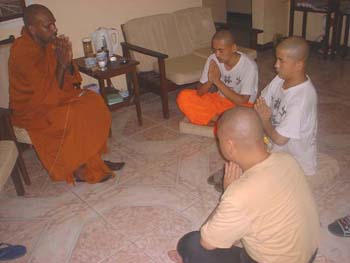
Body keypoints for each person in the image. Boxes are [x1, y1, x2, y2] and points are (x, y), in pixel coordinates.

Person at [168, 107, 320, 263]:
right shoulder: (286, 159)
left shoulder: (239, 195)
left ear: (229, 145)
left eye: (219, 141)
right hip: (308, 254)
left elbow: (208, 243)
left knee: (190, 244)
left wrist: (228, 191)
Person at [9, 4, 124, 184]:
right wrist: (61, 65)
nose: (54, 29)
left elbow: (73, 80)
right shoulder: (22, 52)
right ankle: (77, 168)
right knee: (73, 115)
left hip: (57, 97)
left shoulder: (49, 44)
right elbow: (43, 93)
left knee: (94, 101)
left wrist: (67, 61)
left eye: (54, 23)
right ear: (32, 29)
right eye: (48, 26)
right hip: (33, 110)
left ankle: (92, 159)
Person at [255, 36, 317, 176]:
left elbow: (280, 140)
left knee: (260, 180)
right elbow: (261, 103)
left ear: (298, 65)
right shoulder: (280, 78)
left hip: (295, 163)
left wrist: (265, 120)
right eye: (276, 59)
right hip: (274, 147)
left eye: (281, 60)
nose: (276, 65)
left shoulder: (301, 99)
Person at [176, 29, 258, 126]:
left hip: (240, 106)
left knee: (246, 114)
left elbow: (243, 100)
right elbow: (200, 92)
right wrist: (210, 81)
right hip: (220, 100)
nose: (217, 54)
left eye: (221, 50)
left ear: (233, 48)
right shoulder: (213, 59)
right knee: (184, 96)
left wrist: (217, 81)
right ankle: (221, 119)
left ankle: (218, 119)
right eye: (214, 50)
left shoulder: (249, 66)